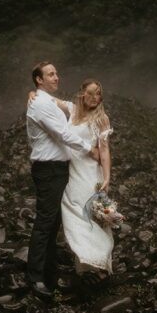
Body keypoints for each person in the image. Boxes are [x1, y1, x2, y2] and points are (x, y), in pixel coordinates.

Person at [25, 61, 99, 300]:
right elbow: (63, 133)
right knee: (45, 222)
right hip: (48, 169)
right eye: (50, 74)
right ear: (39, 79)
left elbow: (72, 110)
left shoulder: (46, 101)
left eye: (57, 73)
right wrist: (90, 149)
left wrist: (60, 102)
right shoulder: (39, 104)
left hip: (57, 169)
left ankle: (49, 273)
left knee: (53, 222)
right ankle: (35, 278)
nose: (57, 77)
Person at [56, 79, 115, 278]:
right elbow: (51, 101)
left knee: (90, 214)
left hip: (90, 173)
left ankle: (96, 258)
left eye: (97, 94)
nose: (94, 97)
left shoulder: (101, 118)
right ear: (82, 93)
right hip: (72, 172)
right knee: (73, 213)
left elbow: (105, 150)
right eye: (90, 93)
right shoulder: (72, 110)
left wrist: (107, 177)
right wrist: (34, 94)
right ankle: (84, 260)